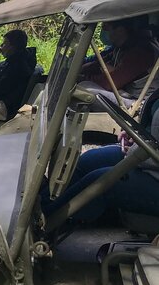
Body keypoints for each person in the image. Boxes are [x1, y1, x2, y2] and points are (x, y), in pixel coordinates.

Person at [42, 91, 159, 224]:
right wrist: (139, 134)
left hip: (153, 170)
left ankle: (43, 223)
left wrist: (135, 148)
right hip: (149, 157)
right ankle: (41, 207)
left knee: (98, 182)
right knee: (88, 161)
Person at [79, 17, 159, 109]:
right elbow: (100, 62)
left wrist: (83, 78)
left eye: (106, 27)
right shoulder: (122, 47)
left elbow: (110, 83)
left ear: (120, 30)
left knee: (86, 89)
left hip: (140, 103)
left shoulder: (141, 52)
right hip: (125, 93)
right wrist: (83, 69)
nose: (103, 30)